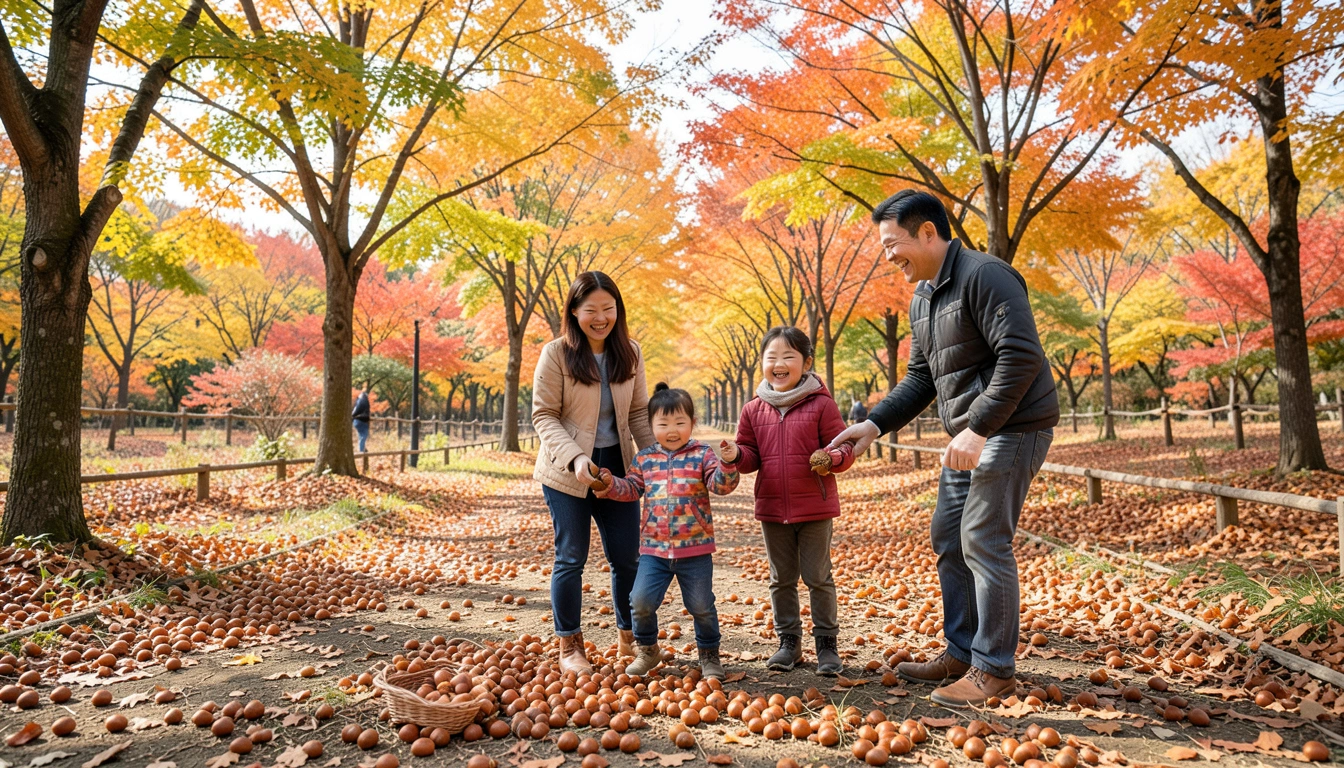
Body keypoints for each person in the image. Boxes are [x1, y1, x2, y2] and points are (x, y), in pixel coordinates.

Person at [828, 190, 1059, 707]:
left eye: (894, 244)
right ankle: (961, 653)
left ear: (928, 232)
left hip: (1014, 426)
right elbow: (922, 377)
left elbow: (1020, 357)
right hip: (970, 434)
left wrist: (977, 428)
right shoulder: (923, 297)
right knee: (948, 535)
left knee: (981, 537)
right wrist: (873, 426)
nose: (888, 256)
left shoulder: (985, 275)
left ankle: (994, 669)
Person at [532, 271, 655, 675]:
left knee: (629, 559)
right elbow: (544, 416)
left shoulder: (631, 353)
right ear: (573, 312)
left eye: (608, 309)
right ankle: (569, 645)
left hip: (617, 469)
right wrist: (575, 458)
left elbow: (638, 413)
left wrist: (656, 458)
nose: (601, 318)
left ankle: (630, 637)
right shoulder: (556, 354)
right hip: (567, 471)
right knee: (571, 558)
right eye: (591, 311)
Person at [594, 383, 739, 679]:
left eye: (680, 423)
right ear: (651, 426)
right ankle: (647, 650)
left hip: (695, 550)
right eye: (663, 424)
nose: (672, 430)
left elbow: (720, 486)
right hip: (653, 550)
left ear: (692, 423)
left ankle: (709, 654)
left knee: (701, 605)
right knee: (640, 600)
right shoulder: (645, 458)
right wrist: (610, 484)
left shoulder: (702, 454)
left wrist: (727, 463)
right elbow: (632, 488)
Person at [734, 326, 855, 676]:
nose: (779, 364)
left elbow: (844, 446)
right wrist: (734, 456)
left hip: (814, 507)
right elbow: (750, 456)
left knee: (818, 576)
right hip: (772, 507)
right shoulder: (754, 409)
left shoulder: (821, 404)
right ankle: (788, 643)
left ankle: (827, 646)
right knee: (781, 578)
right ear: (762, 363)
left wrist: (831, 459)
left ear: (806, 362)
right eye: (771, 357)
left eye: (788, 356)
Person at [352, 388, 371, 453]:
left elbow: (355, 410)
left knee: (361, 435)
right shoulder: (363, 400)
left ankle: (362, 448)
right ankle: (361, 450)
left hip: (357, 420)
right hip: (362, 420)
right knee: (363, 435)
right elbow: (357, 410)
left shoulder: (358, 400)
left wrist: (352, 416)